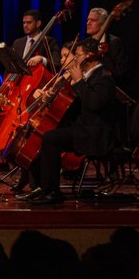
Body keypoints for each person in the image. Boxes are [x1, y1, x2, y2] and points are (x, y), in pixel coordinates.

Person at [18, 38, 119, 204]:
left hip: (96, 134)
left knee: (50, 139)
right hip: (82, 129)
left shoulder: (104, 77)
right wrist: (52, 97)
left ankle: (53, 192)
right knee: (40, 136)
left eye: (78, 55)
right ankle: (41, 187)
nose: (75, 59)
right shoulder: (87, 76)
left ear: (90, 56)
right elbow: (74, 104)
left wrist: (78, 81)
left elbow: (94, 104)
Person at [86, 7, 127, 82]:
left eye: (93, 20)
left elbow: (120, 72)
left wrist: (105, 55)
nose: (88, 23)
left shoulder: (114, 42)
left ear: (103, 24)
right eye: (88, 20)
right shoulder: (86, 43)